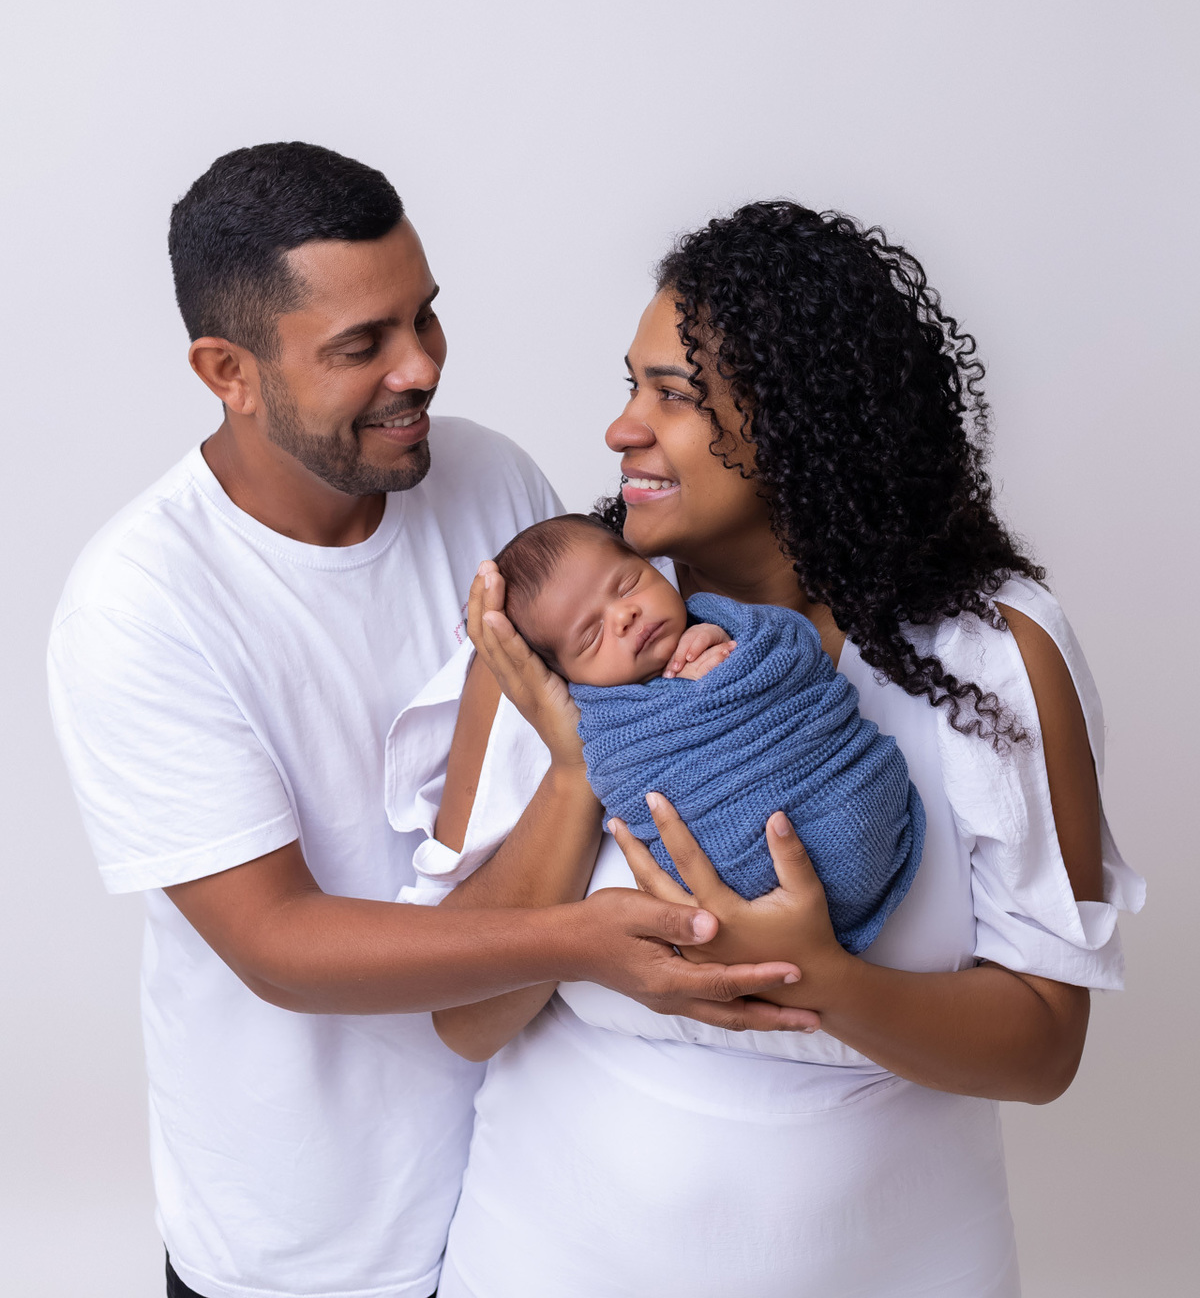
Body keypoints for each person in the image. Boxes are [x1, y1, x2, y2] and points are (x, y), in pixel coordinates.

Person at [47, 147, 814, 1298]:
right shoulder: (142, 605)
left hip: (531, 1198)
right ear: (229, 370)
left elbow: (611, 740)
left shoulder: (494, 486)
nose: (420, 368)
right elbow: (281, 945)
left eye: (427, 318)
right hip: (315, 1241)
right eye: (362, 346)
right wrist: (591, 941)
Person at [396, 200, 1144, 1298]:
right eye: (629, 384)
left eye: (674, 395)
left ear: (805, 419)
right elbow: (464, 1017)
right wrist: (572, 773)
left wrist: (825, 980)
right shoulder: (565, 639)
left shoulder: (991, 655)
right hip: (554, 1260)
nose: (621, 430)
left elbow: (1041, 1048)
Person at [486, 511, 925, 956]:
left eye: (627, 585)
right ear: (567, 675)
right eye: (591, 635)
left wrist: (728, 647)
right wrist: (686, 693)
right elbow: (622, 779)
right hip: (743, 881)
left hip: (850, 796)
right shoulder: (609, 725)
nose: (624, 615)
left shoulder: (732, 627)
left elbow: (792, 650)